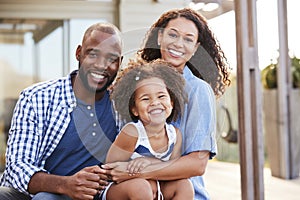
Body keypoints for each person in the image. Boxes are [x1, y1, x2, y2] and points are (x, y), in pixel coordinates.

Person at [103, 7, 231, 200]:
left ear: (196, 48)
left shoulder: (197, 90)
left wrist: (136, 171)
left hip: (182, 193)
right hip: (136, 191)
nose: (179, 44)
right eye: (173, 34)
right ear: (160, 36)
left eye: (188, 39)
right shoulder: (135, 83)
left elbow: (197, 164)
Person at [0, 22, 124, 200]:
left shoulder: (122, 106)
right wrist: (66, 185)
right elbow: (17, 167)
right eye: (93, 54)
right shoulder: (36, 98)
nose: (101, 65)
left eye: (111, 58)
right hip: (40, 191)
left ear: (119, 62)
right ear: (78, 53)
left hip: (96, 194)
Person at [104, 59, 193, 200]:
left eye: (161, 96)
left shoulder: (174, 135)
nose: (155, 103)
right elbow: (110, 169)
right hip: (120, 190)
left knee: (184, 185)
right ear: (134, 109)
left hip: (155, 188)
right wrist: (137, 170)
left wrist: (150, 163)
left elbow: (173, 170)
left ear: (171, 102)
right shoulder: (132, 132)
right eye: (146, 99)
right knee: (142, 187)